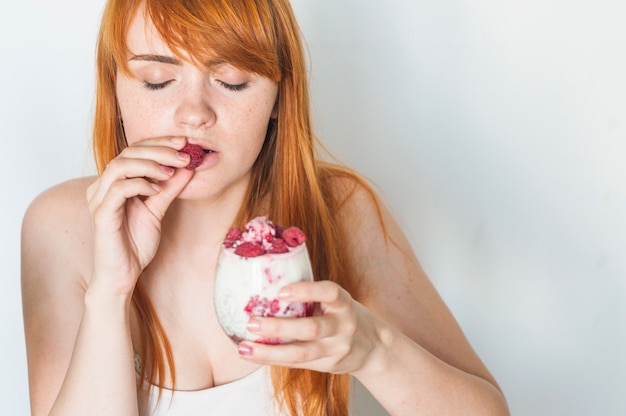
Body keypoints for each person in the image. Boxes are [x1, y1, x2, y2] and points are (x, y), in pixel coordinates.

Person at [21, 0, 510, 415]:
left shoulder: (338, 213)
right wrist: (110, 292)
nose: (194, 112)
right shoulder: (61, 228)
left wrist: (373, 350)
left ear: (280, 94)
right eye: (156, 80)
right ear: (116, 87)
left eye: (231, 81)